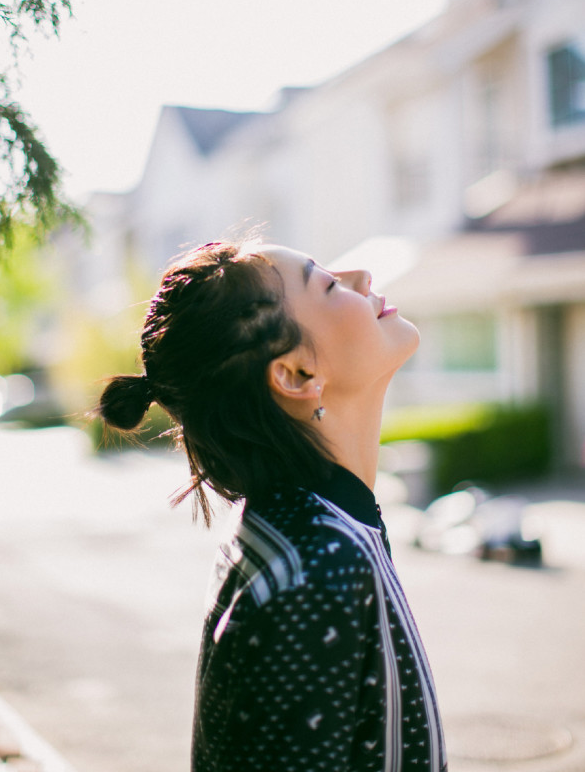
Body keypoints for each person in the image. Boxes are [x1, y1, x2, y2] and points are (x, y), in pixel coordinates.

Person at [96, 238, 448, 772]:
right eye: (327, 284)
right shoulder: (317, 566)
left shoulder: (307, 531)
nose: (358, 273)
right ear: (296, 374)